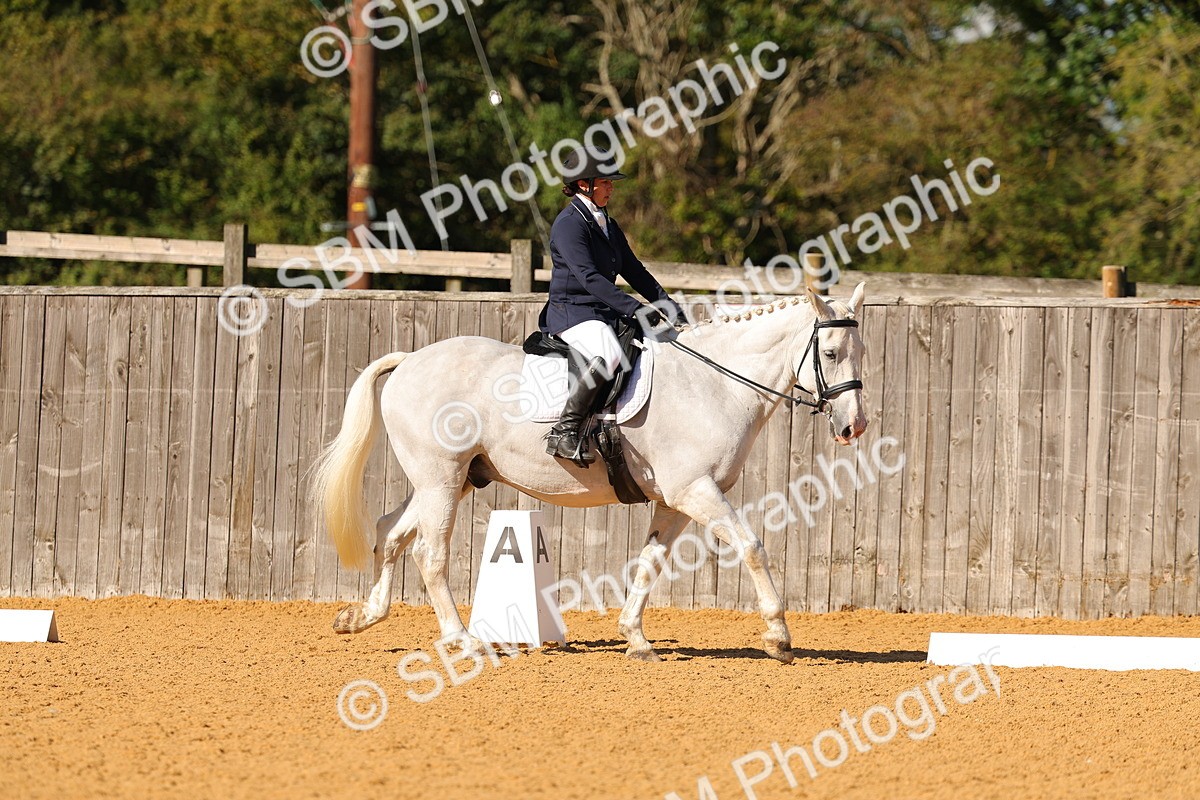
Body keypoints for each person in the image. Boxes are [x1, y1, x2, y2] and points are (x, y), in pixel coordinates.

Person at [538, 147, 686, 465]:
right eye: (605, 182)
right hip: (572, 312)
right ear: (583, 184)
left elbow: (633, 270)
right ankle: (565, 432)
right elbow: (590, 278)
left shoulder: (606, 222)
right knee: (607, 352)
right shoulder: (569, 225)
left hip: (602, 310)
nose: (611, 187)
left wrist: (666, 303)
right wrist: (634, 308)